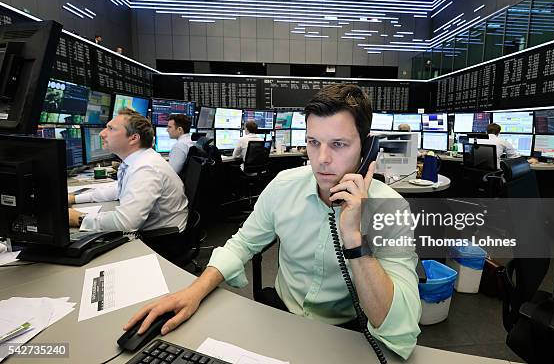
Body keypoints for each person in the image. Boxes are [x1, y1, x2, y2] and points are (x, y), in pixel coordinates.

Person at [124, 84, 421, 359]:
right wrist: (194, 291)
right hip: (282, 316)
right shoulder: (283, 186)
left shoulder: (391, 208)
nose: (322, 159)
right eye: (314, 142)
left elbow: (400, 326)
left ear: (367, 148)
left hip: (346, 331)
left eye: (339, 144)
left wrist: (354, 239)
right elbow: (242, 244)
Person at [67, 109, 188, 233]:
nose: (102, 134)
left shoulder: (145, 168)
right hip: (155, 230)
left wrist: (79, 218)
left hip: (162, 240)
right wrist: (74, 199)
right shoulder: (137, 160)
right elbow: (118, 191)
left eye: (111, 129)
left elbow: (125, 223)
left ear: (133, 138)